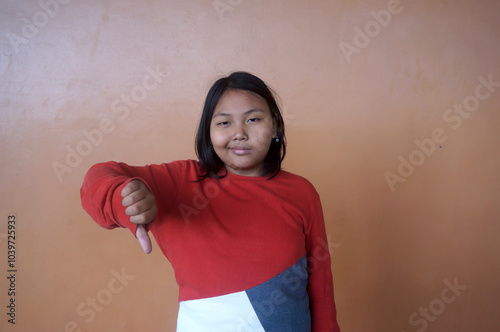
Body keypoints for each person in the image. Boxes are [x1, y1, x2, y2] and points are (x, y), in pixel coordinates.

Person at [80, 71, 341, 331]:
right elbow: (98, 176)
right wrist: (122, 198)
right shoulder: (181, 182)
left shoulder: (302, 192)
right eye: (224, 123)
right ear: (208, 131)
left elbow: (321, 287)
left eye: (253, 119)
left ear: (274, 125)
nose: (239, 133)